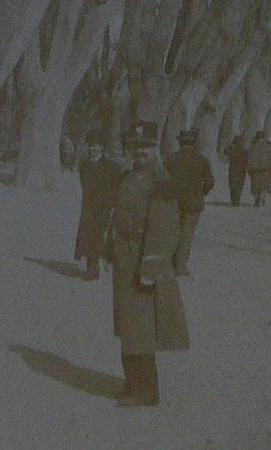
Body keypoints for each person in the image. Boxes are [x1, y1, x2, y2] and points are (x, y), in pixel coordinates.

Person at [104, 121, 188, 407]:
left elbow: (165, 228)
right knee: (128, 326)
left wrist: (151, 266)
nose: (138, 152)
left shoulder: (160, 181)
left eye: (144, 147)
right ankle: (132, 383)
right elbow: (118, 216)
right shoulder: (130, 175)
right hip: (124, 260)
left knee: (140, 327)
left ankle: (146, 390)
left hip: (142, 263)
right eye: (134, 147)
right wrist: (108, 250)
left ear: (155, 148)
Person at [163, 128, 215, 277]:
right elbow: (210, 181)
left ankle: (168, 263)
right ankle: (180, 267)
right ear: (193, 143)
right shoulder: (201, 159)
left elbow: (163, 181)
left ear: (180, 143)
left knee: (172, 232)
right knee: (187, 235)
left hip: (174, 202)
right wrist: (202, 192)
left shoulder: (170, 159)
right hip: (194, 203)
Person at [73, 129, 122, 280]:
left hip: (104, 207)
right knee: (86, 234)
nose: (92, 148)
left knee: (98, 235)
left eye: (96, 145)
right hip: (88, 205)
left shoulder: (111, 166)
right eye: (90, 145)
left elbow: (116, 187)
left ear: (102, 147)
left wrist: (111, 204)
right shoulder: (85, 165)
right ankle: (90, 266)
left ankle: (93, 268)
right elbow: (84, 183)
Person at [247, 130, 271, 207]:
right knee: (265, 184)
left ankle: (256, 197)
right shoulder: (269, 147)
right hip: (266, 169)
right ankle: (263, 195)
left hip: (255, 170)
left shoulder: (253, 147)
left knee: (256, 184)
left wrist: (249, 168)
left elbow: (250, 158)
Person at [222, 134, 249, 207]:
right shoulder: (244, 151)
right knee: (239, 185)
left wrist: (231, 145)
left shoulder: (232, 150)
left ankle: (233, 200)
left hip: (233, 170)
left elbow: (225, 151)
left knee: (232, 185)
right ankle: (237, 200)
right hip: (241, 170)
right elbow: (247, 160)